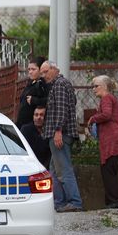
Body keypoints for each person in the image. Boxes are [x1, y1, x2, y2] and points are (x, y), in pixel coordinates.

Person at [41, 60, 83, 212]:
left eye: (46, 72)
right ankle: (60, 202)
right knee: (54, 170)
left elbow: (61, 109)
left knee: (64, 170)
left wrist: (58, 130)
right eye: (42, 73)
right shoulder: (63, 84)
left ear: (54, 69)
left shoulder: (59, 84)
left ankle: (75, 202)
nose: (43, 75)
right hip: (60, 133)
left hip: (60, 134)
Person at [87, 75, 118, 208]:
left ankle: (116, 202)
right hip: (115, 140)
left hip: (112, 141)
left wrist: (93, 118)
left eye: (96, 86)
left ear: (104, 86)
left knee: (108, 173)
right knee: (110, 172)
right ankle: (113, 202)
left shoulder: (106, 98)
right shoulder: (110, 98)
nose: (93, 89)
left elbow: (107, 114)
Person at [15, 56, 48, 129]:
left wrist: (34, 100)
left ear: (41, 69)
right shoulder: (31, 83)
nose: (30, 72)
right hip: (22, 124)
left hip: (33, 126)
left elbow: (48, 101)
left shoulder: (43, 84)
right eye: (29, 69)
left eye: (33, 69)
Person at [20, 104, 52, 170]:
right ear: (33, 116)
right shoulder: (25, 130)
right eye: (36, 115)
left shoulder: (50, 131)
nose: (38, 117)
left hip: (46, 168)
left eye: (41, 115)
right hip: (28, 167)